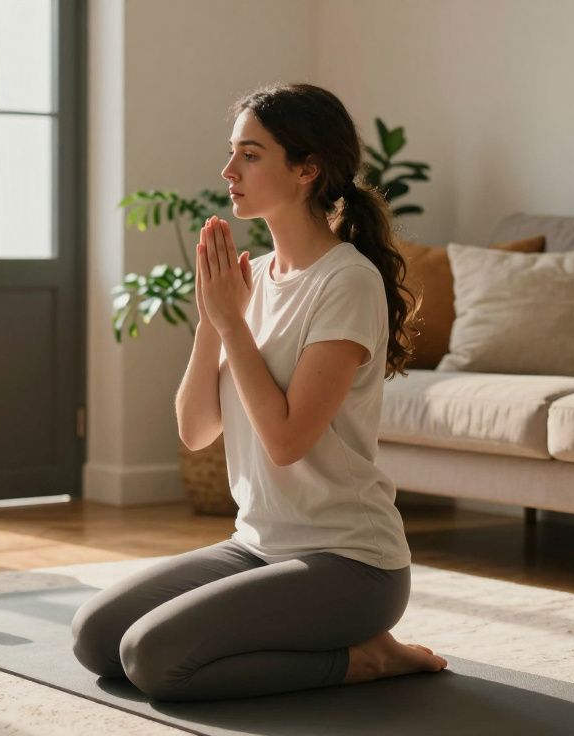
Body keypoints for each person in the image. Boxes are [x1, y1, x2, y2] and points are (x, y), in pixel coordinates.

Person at [71, 83, 447, 701]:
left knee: (154, 659)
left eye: (250, 154)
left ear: (307, 169)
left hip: (350, 563)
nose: (228, 171)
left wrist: (232, 325)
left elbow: (286, 441)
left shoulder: (346, 282)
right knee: (96, 638)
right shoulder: (256, 281)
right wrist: (211, 321)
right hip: (257, 545)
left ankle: (366, 659)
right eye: (232, 153)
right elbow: (195, 431)